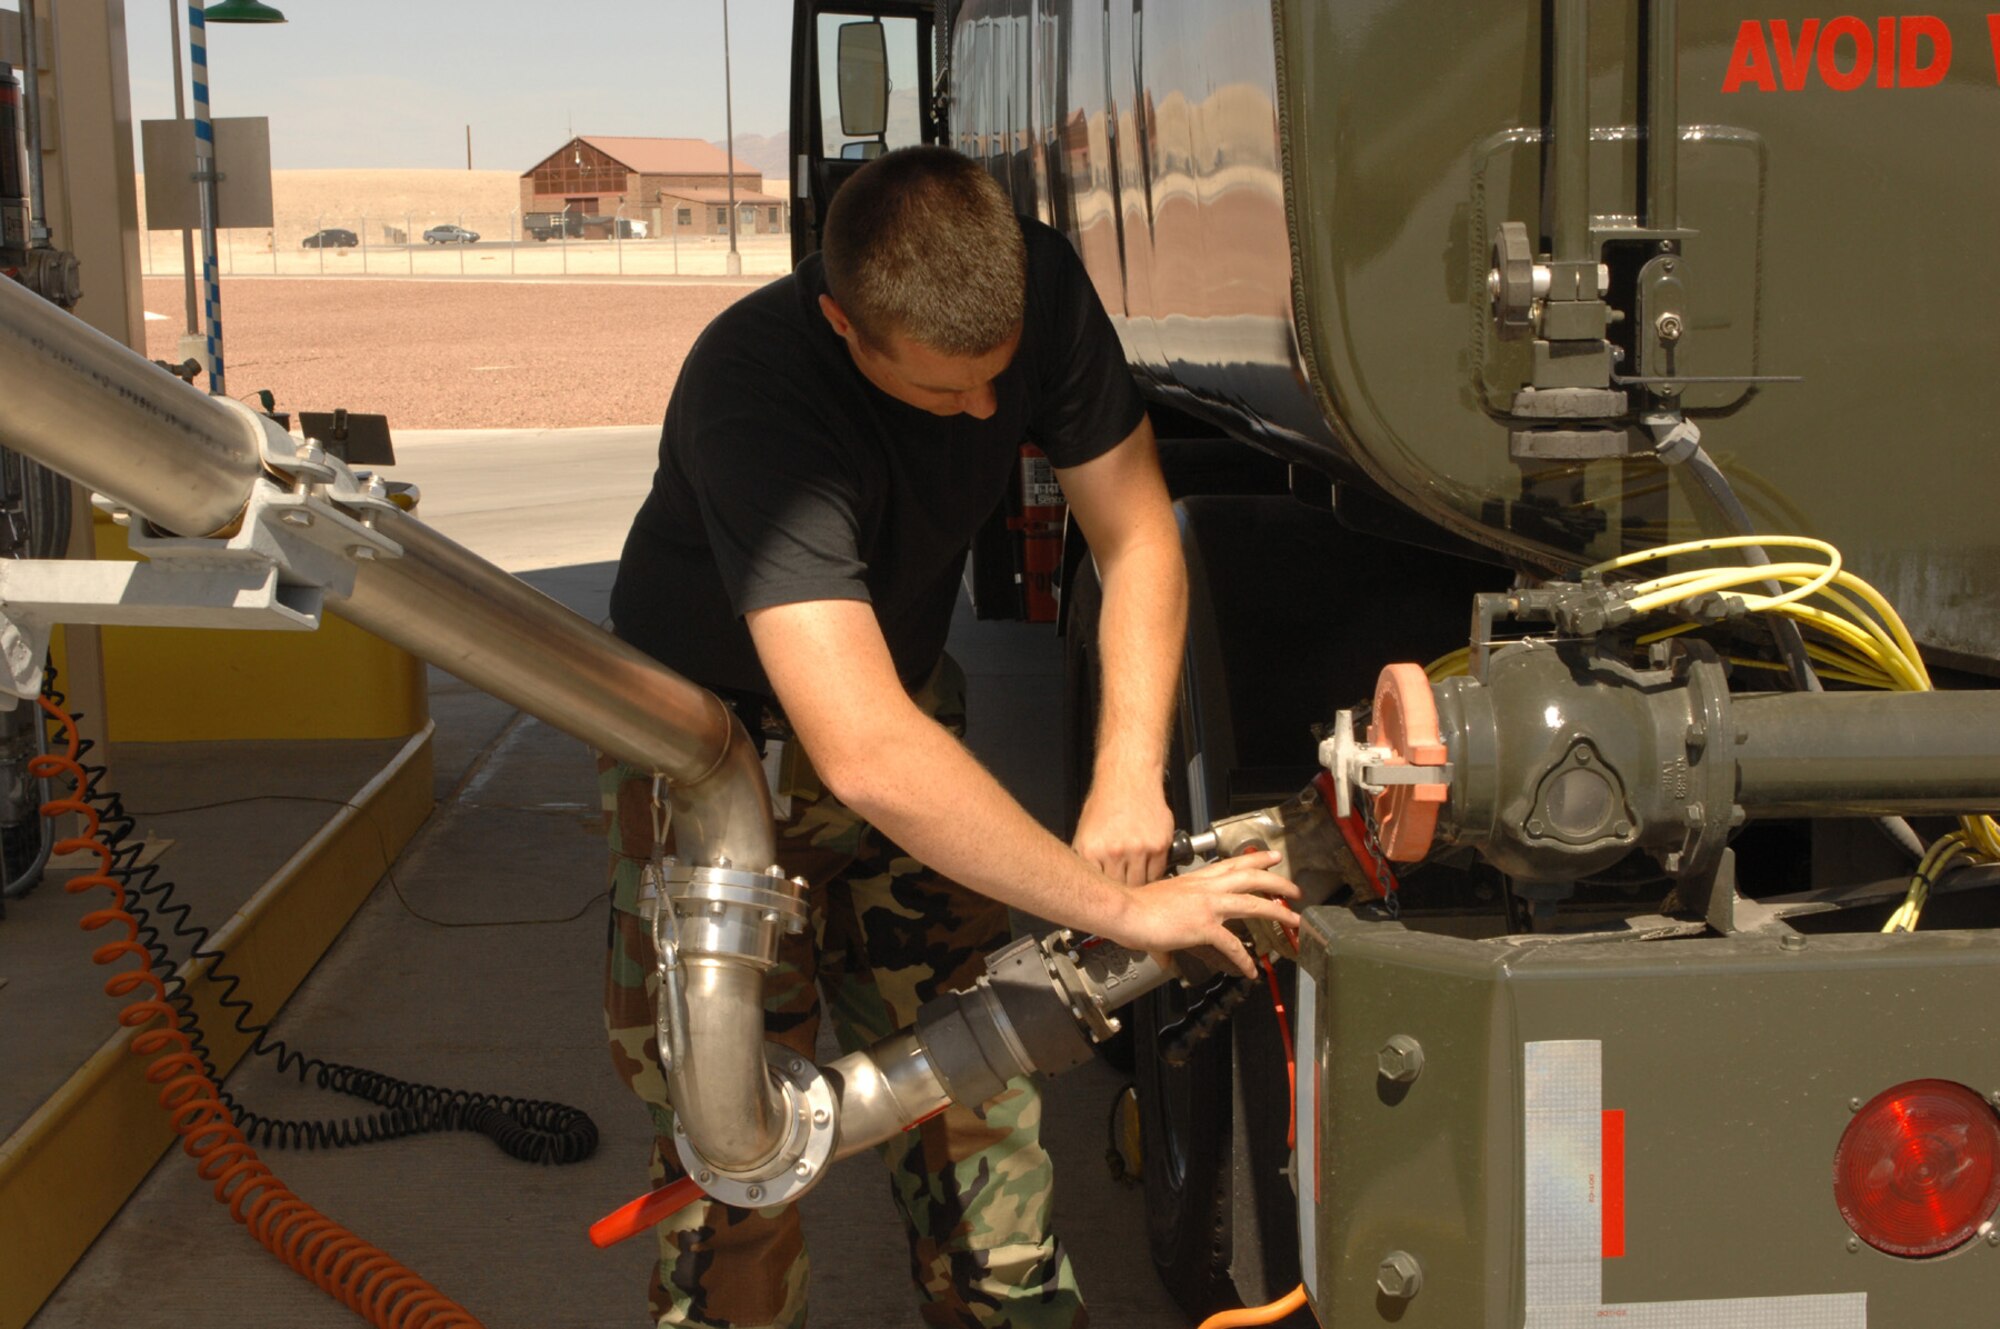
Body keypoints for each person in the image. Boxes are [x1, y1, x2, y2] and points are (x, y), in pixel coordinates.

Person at [600, 145, 1297, 1329]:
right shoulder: (758, 393)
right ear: (841, 324)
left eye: (997, 380)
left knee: (978, 1079)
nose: (982, 413)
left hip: (900, 703)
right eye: (940, 391)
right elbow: (861, 749)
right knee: (735, 1147)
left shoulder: (1033, 288)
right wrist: (1113, 905)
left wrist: (1128, 775)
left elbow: (1134, 538)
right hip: (711, 760)